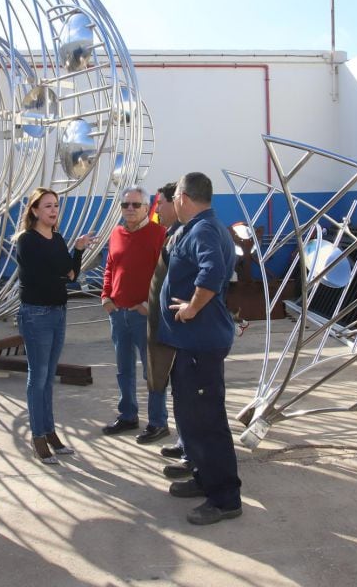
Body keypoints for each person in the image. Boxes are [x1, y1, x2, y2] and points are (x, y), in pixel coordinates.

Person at [158, 172, 242, 526]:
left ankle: (224, 498)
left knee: (208, 420)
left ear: (183, 197)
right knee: (191, 415)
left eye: (175, 195)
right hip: (190, 343)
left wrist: (192, 307)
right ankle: (202, 476)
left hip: (201, 342)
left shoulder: (204, 230)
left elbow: (212, 271)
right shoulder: (198, 228)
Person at [14, 187, 93, 464]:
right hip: (36, 314)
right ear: (34, 210)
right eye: (47, 206)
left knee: (48, 378)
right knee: (38, 378)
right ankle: (38, 436)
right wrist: (63, 270)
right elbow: (44, 274)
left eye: (55, 206)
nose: (53, 210)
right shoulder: (27, 240)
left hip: (59, 312)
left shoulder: (57, 239)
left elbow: (71, 274)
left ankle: (49, 432)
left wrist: (78, 251)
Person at [100, 186, 169, 442]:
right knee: (123, 370)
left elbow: (165, 277)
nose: (129, 209)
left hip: (144, 316)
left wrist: (148, 306)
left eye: (135, 205)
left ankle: (158, 422)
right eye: (125, 205)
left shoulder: (159, 234)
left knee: (151, 370)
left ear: (146, 208)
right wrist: (106, 297)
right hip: (118, 314)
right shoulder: (116, 234)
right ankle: (128, 416)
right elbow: (110, 267)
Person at [146, 182, 192, 478]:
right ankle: (184, 442)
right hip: (169, 328)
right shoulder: (173, 234)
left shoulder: (189, 236)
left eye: (160, 203)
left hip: (184, 330)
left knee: (190, 394)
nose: (157, 209)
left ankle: (192, 455)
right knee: (179, 391)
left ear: (177, 203)